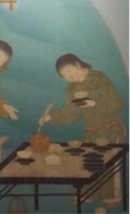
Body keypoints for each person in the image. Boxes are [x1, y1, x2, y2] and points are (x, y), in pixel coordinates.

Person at [39, 53, 125, 206]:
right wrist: (50, 117)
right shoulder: (72, 88)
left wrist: (94, 103)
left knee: (110, 166)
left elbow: (117, 103)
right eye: (64, 76)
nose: (68, 77)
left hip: (111, 130)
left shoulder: (99, 78)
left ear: (78, 64)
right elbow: (70, 113)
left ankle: (113, 197)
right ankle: (88, 194)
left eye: (69, 71)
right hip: (92, 131)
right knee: (90, 164)